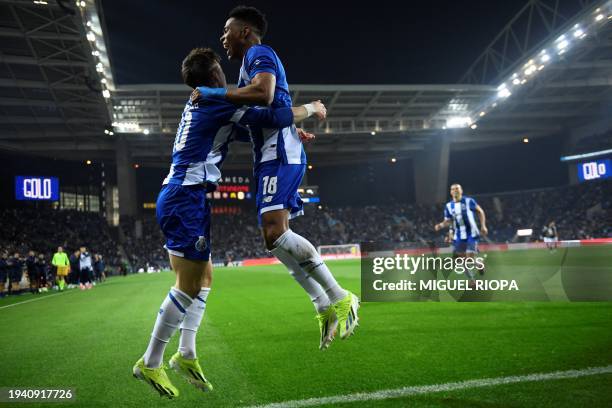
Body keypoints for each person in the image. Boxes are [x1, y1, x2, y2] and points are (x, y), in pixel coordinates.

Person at [132, 47, 327, 399]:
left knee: (204, 278)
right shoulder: (218, 100)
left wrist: (292, 133)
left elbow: (245, 131)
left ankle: (187, 353)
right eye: (222, 70)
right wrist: (310, 110)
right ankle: (150, 360)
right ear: (216, 76)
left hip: (184, 195)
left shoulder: (202, 104)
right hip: (184, 197)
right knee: (187, 285)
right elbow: (268, 117)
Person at [194, 5, 359, 350]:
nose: (223, 37)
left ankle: (340, 296)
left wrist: (212, 94)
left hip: (279, 153)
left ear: (244, 32)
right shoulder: (246, 69)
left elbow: (266, 94)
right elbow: (266, 112)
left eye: (227, 30)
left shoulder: (259, 52)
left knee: (275, 230)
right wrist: (296, 122)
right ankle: (323, 305)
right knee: (272, 239)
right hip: (271, 154)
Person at [434, 184, 488, 284]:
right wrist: (440, 225)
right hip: (459, 236)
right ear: (450, 192)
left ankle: (478, 264)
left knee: (469, 259)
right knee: (462, 260)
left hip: (472, 233)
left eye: (457, 189)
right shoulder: (449, 206)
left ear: (461, 191)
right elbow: (448, 221)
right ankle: (472, 279)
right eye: (452, 189)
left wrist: (483, 225)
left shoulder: (469, 201)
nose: (455, 190)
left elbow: (480, 211)